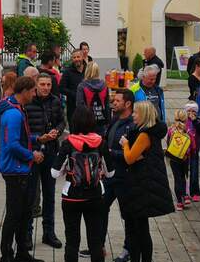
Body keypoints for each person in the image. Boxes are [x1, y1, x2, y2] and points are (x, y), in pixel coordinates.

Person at [51, 106, 112, 262]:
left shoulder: (68, 143)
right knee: (95, 240)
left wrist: (67, 169)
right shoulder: (100, 142)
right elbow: (111, 172)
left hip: (71, 197)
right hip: (96, 196)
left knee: (72, 241)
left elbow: (54, 173)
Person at [0, 76, 45, 262]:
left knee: (25, 213)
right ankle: (6, 255)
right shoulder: (13, 114)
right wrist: (32, 155)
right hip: (14, 170)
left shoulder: (19, 109)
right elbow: (12, 145)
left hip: (21, 169)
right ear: (25, 91)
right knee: (14, 215)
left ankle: (22, 254)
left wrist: (38, 139)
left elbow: (22, 138)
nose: (35, 93)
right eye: (34, 90)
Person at [119, 101, 173, 262]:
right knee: (141, 228)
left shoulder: (144, 135)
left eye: (135, 112)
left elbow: (129, 158)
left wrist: (125, 144)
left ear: (143, 115)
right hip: (146, 184)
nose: (133, 115)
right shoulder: (151, 132)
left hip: (142, 185)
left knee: (139, 229)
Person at [25, 71, 65, 248]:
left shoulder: (55, 101)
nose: (46, 88)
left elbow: (62, 121)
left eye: (48, 85)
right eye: (42, 84)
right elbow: (23, 130)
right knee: (31, 196)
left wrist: (57, 131)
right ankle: (27, 234)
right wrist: (38, 139)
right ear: (36, 84)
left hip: (50, 152)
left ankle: (49, 233)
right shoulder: (28, 102)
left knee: (50, 195)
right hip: (33, 154)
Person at [102, 90, 135, 262]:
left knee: (128, 215)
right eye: (113, 100)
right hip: (109, 175)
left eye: (117, 101)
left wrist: (109, 153)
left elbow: (132, 156)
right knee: (100, 209)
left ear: (127, 104)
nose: (113, 103)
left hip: (125, 177)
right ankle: (98, 246)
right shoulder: (114, 119)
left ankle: (128, 250)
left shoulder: (133, 126)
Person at [166, 109, 191, 210]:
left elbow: (168, 143)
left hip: (174, 158)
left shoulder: (171, 130)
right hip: (184, 158)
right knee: (183, 176)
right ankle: (185, 195)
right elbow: (191, 144)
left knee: (177, 178)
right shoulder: (187, 129)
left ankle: (179, 203)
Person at [76, 62, 110, 135]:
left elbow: (79, 106)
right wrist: (108, 121)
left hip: (86, 122)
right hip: (102, 120)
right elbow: (107, 105)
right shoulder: (104, 85)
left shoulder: (82, 86)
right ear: (98, 71)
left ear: (87, 71)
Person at [183, 102, 200, 202]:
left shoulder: (198, 121)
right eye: (188, 111)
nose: (191, 113)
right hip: (183, 150)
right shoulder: (182, 121)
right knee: (184, 171)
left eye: (193, 111)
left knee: (194, 171)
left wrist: (195, 121)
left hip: (194, 149)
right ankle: (184, 192)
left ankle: (195, 192)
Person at [59, 50, 86, 130]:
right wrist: (75, 94)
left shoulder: (88, 70)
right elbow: (61, 88)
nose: (76, 59)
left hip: (87, 109)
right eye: (74, 57)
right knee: (74, 133)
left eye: (78, 57)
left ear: (82, 57)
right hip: (73, 109)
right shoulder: (67, 72)